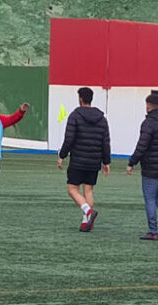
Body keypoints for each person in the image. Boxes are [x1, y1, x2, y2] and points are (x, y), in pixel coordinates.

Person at [58, 87, 111, 232]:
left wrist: (62, 155)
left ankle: (88, 212)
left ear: (80, 98)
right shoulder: (102, 119)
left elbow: (69, 139)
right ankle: (86, 222)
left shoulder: (75, 116)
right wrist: (106, 162)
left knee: (72, 189)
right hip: (94, 160)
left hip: (78, 160)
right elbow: (105, 141)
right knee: (88, 190)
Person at [127, 94, 158, 240]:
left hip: (151, 166)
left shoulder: (148, 123)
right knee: (157, 195)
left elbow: (142, 145)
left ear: (148, 105)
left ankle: (153, 231)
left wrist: (132, 162)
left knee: (149, 198)